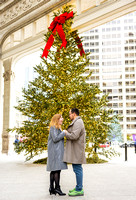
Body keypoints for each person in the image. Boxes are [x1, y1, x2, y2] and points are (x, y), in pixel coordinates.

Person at [63, 108, 86, 196]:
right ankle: (78, 187)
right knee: (76, 169)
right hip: (75, 150)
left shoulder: (78, 122)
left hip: (77, 150)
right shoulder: (77, 122)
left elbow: (74, 136)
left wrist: (65, 133)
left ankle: (79, 189)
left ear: (74, 114)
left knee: (78, 169)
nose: (69, 116)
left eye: (69, 114)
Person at [47, 114, 67, 196]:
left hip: (55, 152)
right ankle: (57, 188)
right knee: (57, 170)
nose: (62, 119)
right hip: (55, 153)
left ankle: (52, 188)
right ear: (57, 119)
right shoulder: (53, 128)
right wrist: (63, 133)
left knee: (54, 170)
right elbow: (55, 139)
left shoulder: (57, 128)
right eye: (61, 118)